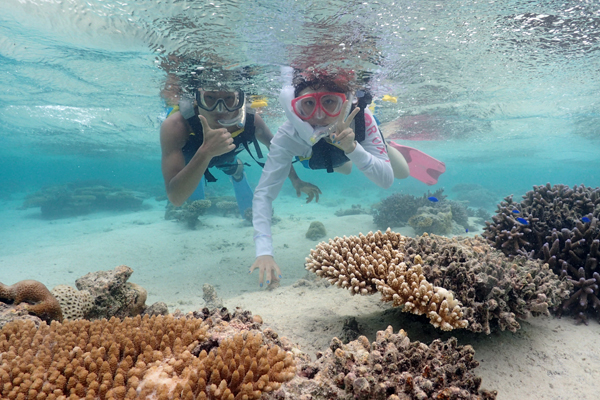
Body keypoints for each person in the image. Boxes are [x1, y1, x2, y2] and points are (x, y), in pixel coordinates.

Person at [250, 68, 407, 287]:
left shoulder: (361, 119)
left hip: (353, 142)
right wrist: (264, 252)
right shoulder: (288, 135)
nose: (319, 115)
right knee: (345, 168)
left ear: (346, 103)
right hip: (316, 154)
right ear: (296, 106)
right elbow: (264, 194)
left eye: (330, 102)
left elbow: (386, 180)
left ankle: (384, 144)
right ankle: (349, 154)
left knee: (403, 172)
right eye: (308, 103)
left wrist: (354, 148)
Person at [160, 69, 321, 217]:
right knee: (192, 172)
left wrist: (296, 180)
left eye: (229, 99)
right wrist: (205, 152)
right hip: (191, 161)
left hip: (227, 157)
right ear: (196, 100)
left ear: (240, 100)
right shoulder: (176, 126)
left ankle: (237, 172)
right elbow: (176, 198)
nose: (220, 109)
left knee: (232, 166)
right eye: (210, 98)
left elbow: (278, 150)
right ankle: (202, 174)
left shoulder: (251, 121)